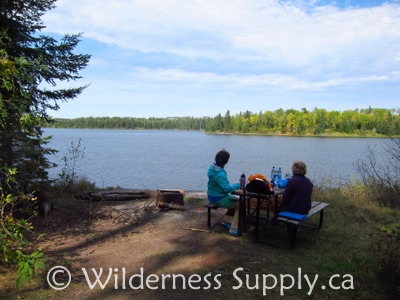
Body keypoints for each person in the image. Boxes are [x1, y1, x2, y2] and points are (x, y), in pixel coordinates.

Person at [207, 149, 241, 235]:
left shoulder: (212, 169)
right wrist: (238, 185)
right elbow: (227, 189)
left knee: (235, 200)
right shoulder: (220, 174)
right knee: (240, 205)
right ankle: (234, 228)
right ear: (226, 161)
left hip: (211, 195)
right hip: (218, 198)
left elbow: (223, 188)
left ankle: (226, 221)